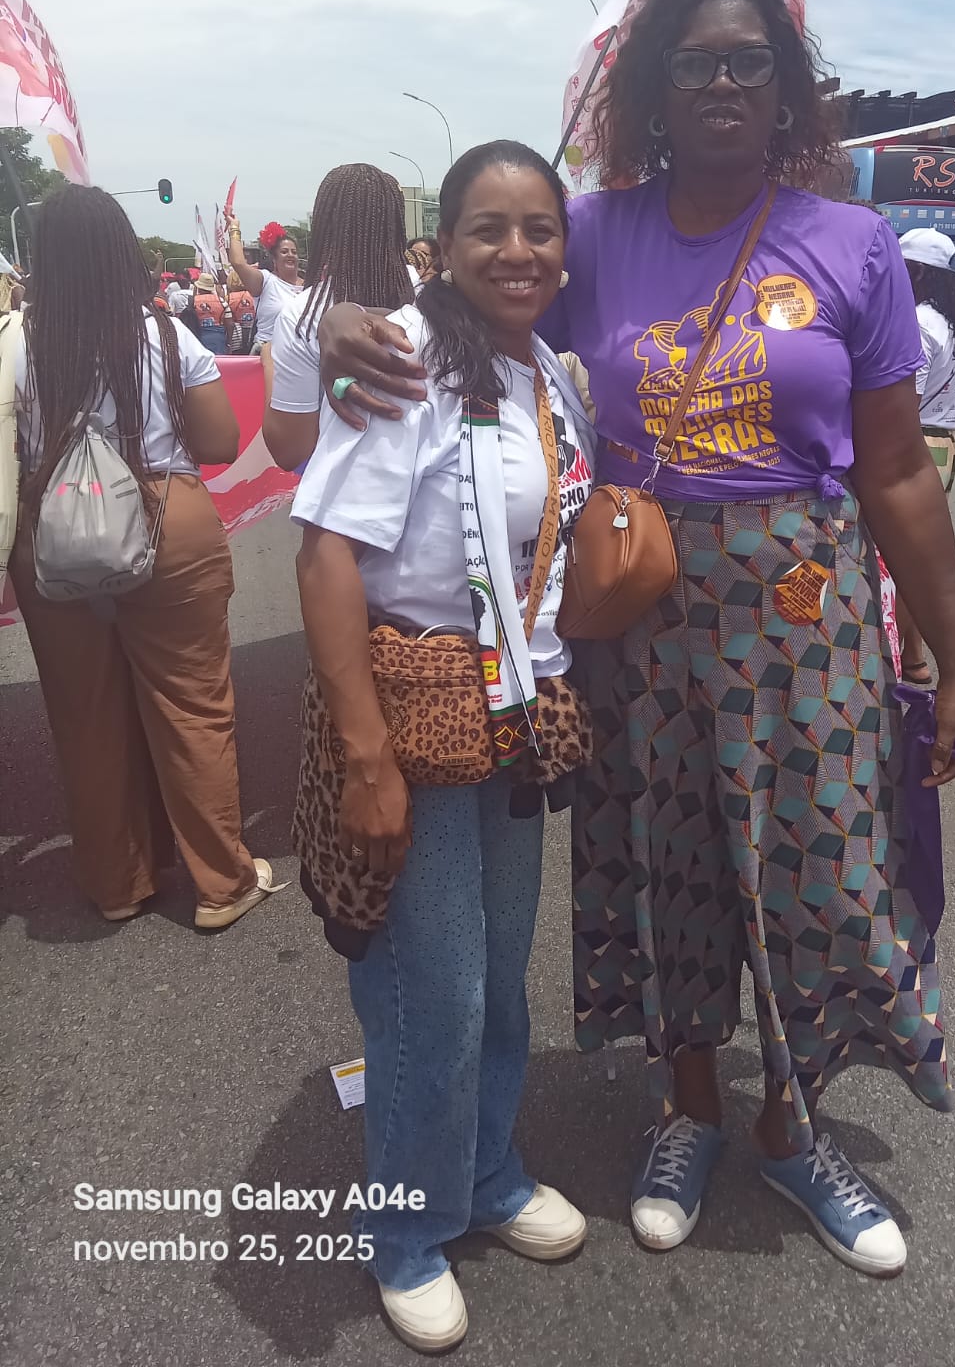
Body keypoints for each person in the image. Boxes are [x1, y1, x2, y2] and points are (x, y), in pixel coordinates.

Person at [314, 0, 955, 1277]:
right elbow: (468, 283)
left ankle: (796, 1128)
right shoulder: (600, 231)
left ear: (785, 85)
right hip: (639, 601)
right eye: (698, 64)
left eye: (751, 62)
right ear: (656, 90)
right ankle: (687, 1111)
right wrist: (333, 320)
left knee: (823, 874)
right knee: (670, 865)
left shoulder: (853, 243)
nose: (725, 83)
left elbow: (902, 468)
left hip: (807, 605)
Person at [291, 141, 593, 1352]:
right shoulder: (403, 361)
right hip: (413, 718)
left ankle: (487, 1173)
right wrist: (367, 758)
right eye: (488, 229)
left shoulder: (545, 376)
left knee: (500, 969)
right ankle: (407, 1231)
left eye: (539, 230)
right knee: (433, 988)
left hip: (515, 719)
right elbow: (322, 553)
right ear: (444, 246)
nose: (516, 252)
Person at [9, 186, 282, 927]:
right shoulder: (167, 336)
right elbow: (222, 444)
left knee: (83, 713)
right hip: (165, 522)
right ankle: (222, 884)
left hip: (52, 535)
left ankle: (117, 884)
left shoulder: (13, 344)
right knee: (193, 707)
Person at [265, 164, 415, 472]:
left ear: (323, 228)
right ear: (397, 228)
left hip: (343, 500)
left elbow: (290, 451)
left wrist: (269, 364)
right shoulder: (430, 297)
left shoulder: (303, 315)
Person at [894, 228, 955, 683]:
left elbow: (902, 403)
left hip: (914, 442)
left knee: (896, 558)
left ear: (912, 272)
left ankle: (906, 656)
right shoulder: (954, 321)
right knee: (912, 555)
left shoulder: (917, 323)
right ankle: (912, 655)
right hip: (945, 443)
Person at [226, 217, 303, 393]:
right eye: (284, 252)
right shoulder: (266, 281)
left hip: (301, 359)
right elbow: (238, 262)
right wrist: (234, 228)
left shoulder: (309, 287)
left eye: (294, 251)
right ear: (274, 259)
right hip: (267, 356)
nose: (290, 255)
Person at [192, 273, 230, 356]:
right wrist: (229, 342)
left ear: (198, 287)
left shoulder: (193, 302)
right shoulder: (221, 301)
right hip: (218, 339)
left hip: (198, 338)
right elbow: (230, 323)